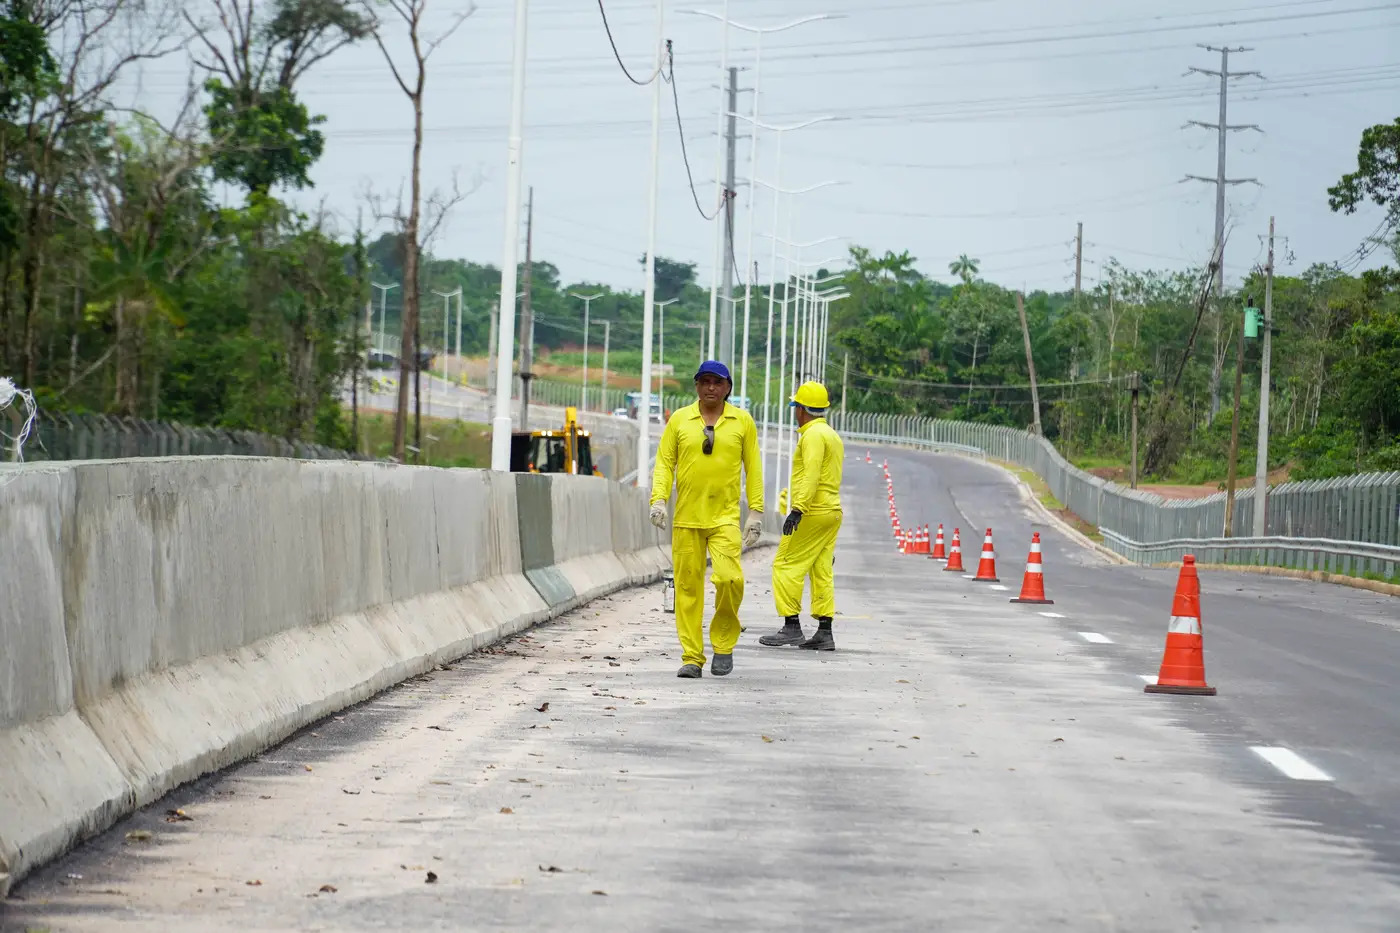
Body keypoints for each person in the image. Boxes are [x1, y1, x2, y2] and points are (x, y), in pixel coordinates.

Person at [650, 361, 765, 678]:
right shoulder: (679, 422)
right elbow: (664, 464)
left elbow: (753, 469)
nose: (710, 387)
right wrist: (658, 499)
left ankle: (724, 645)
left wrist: (755, 512)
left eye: (717, 382)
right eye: (704, 381)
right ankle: (691, 657)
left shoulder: (742, 422)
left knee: (730, 579)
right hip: (686, 519)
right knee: (687, 591)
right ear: (696, 386)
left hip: (725, 518)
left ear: (728, 387)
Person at [759, 381, 845, 651]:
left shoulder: (812, 437)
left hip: (813, 511)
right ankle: (825, 631)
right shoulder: (831, 434)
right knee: (821, 569)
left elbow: (811, 475)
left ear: (800, 409)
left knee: (785, 564)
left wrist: (797, 510)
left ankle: (791, 625)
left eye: (795, 405)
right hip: (831, 511)